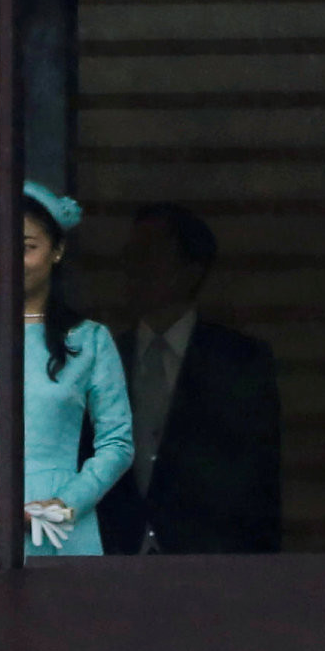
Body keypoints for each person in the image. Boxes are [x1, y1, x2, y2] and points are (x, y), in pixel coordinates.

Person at [0, 183, 133, 560]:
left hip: (60, 517)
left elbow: (117, 441)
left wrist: (67, 504)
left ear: (57, 250)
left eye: (28, 246)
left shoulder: (90, 340)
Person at [98, 203, 283, 556]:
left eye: (149, 255)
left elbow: (259, 483)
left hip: (211, 566)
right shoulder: (104, 357)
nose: (134, 268)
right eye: (130, 255)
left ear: (191, 271)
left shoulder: (240, 361)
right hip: (115, 564)